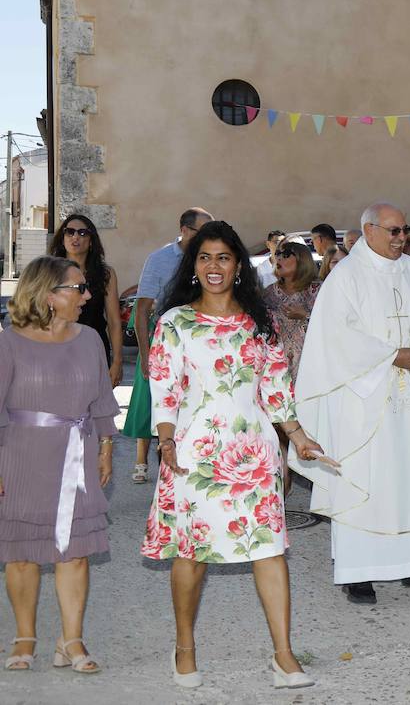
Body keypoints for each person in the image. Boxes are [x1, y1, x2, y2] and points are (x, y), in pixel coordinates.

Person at [141, 221, 325, 689]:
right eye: (205, 258)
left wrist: (298, 437)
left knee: (270, 551)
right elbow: (164, 389)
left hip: (254, 451)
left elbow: (276, 386)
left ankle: (283, 656)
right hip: (195, 451)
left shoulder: (258, 321)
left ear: (238, 265)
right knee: (192, 554)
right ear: (193, 265)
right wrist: (164, 442)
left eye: (223, 257)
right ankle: (184, 647)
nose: (214, 266)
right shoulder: (175, 322)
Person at [291, 203, 410, 605]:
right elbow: (334, 337)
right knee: (368, 478)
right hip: (363, 399)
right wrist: (392, 356)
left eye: (405, 229)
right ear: (368, 231)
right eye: (393, 230)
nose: (401, 237)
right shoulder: (346, 276)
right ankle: (360, 571)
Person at [1, 257, 117, 674]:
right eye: (78, 288)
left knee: (76, 553)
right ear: (49, 295)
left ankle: (71, 640)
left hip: (77, 455)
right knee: (22, 556)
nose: (87, 296)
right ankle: (24, 636)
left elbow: (103, 398)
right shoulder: (9, 343)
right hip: (20, 459)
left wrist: (106, 446)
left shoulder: (89, 340)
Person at [125, 207, 212, 484]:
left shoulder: (209, 259)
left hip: (203, 347)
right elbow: (142, 310)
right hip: (167, 346)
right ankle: (168, 480)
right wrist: (145, 354)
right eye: (203, 231)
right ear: (185, 230)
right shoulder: (159, 260)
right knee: (166, 414)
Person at [265, 241, 321, 497]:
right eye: (277, 255)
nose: (280, 260)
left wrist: (305, 316)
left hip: (309, 368)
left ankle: (322, 488)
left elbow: (334, 329)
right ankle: (281, 486)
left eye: (286, 255)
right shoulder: (267, 294)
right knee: (278, 426)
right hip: (278, 369)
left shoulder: (316, 291)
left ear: (301, 259)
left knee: (310, 425)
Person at [48, 213, 123, 387]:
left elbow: (113, 320)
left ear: (91, 241)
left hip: (94, 346)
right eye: (70, 232)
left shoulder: (106, 274)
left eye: (82, 233)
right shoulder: (50, 272)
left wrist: (117, 361)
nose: (75, 237)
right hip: (57, 345)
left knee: (93, 406)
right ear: (62, 238)